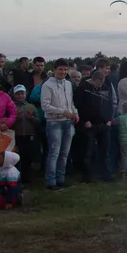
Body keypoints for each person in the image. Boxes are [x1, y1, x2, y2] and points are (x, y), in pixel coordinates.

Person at [39, 59, 78, 190]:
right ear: (55, 70)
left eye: (65, 70)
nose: (63, 72)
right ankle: (51, 181)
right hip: (54, 122)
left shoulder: (68, 84)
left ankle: (61, 178)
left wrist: (75, 112)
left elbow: (70, 102)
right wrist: (62, 112)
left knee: (64, 153)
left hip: (68, 122)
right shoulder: (47, 85)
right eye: (60, 69)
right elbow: (45, 105)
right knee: (54, 152)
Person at [74, 70, 114, 182]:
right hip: (89, 124)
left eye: (102, 83)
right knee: (88, 152)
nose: (100, 85)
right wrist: (84, 120)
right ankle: (87, 176)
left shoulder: (106, 88)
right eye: (98, 83)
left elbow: (110, 104)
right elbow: (78, 105)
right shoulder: (83, 88)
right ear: (93, 79)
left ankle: (106, 174)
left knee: (105, 151)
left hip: (104, 123)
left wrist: (109, 119)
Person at [10, 84, 41, 181]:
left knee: (28, 157)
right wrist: (15, 119)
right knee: (17, 157)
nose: (20, 96)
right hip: (16, 136)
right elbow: (8, 122)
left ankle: (27, 178)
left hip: (29, 136)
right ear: (14, 95)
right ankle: (16, 177)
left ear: (25, 94)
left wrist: (31, 118)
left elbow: (38, 122)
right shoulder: (11, 106)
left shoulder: (31, 106)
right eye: (18, 94)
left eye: (22, 94)